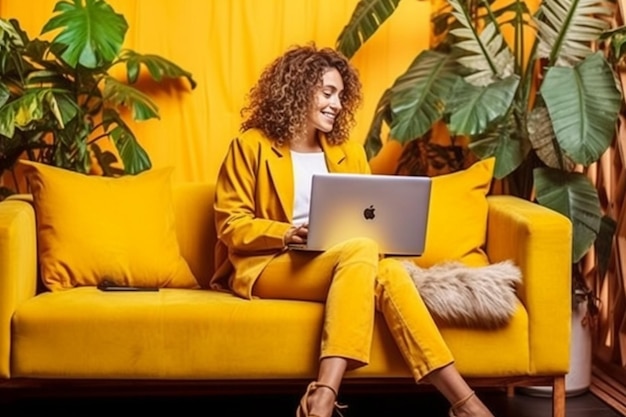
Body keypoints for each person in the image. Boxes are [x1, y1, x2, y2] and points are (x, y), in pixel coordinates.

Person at [210, 43, 495, 417]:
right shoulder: (251, 146)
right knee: (362, 251)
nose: (337, 104)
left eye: (341, 95)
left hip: (343, 260)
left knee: (387, 268)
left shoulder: (348, 151)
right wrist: (286, 233)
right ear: (297, 90)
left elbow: (369, 218)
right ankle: (334, 394)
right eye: (328, 93)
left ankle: (459, 401)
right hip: (271, 263)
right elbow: (231, 223)